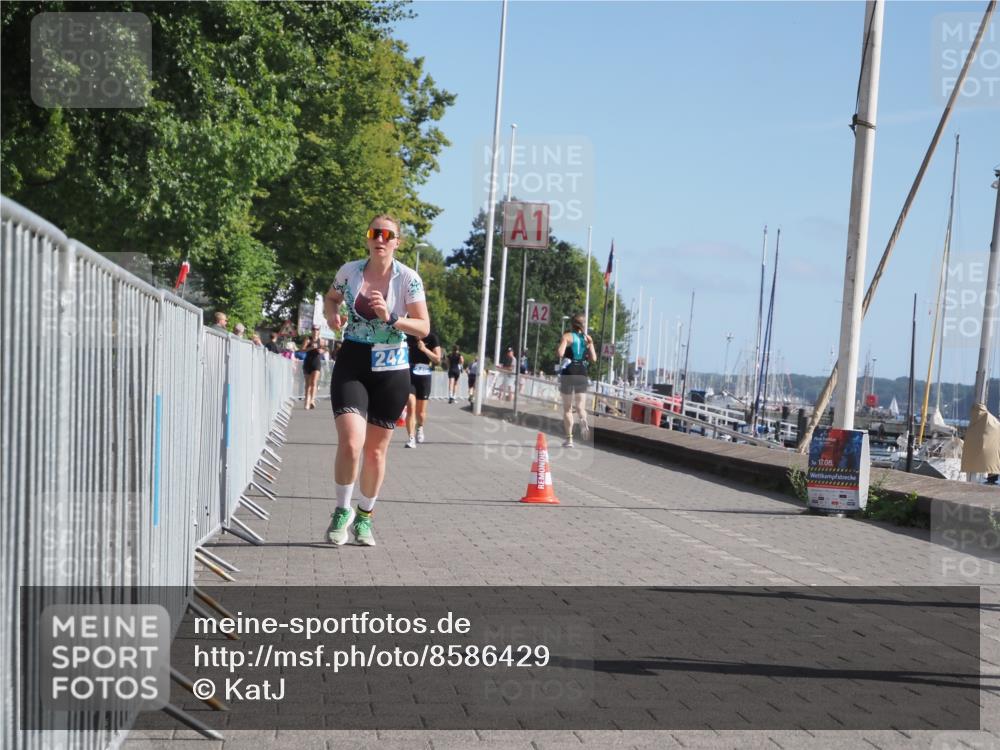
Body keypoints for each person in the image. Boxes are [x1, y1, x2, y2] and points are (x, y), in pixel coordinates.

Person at [323, 214, 429, 547]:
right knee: (351, 442)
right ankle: (342, 510)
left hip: (391, 368)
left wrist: (392, 318)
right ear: (367, 238)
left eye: (387, 235)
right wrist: (331, 314)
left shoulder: (408, 279)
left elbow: (423, 327)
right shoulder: (349, 272)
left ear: (397, 242)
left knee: (375, 453)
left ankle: (365, 516)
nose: (380, 239)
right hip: (353, 361)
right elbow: (331, 298)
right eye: (374, 233)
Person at [556, 313, 597, 447]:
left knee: (567, 409)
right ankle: (583, 419)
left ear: (572, 324)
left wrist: (563, 345)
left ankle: (569, 440)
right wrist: (590, 345)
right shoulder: (587, 338)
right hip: (581, 372)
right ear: (584, 324)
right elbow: (594, 359)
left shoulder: (567, 336)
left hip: (569, 372)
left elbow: (560, 353)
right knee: (580, 407)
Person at [404, 331, 442, 447]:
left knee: (420, 413)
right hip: (410, 374)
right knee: (411, 405)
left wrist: (424, 349)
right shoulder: (408, 336)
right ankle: (411, 438)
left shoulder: (432, 337)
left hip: (424, 375)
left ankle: (420, 427)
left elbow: (437, 359)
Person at [302, 338, 323, 409]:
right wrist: (311, 347)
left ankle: (312, 400)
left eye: (316, 331)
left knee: (314, 382)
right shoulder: (308, 340)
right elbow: (302, 350)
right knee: (308, 384)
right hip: (308, 362)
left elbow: (323, 350)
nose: (315, 332)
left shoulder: (321, 340)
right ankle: (306, 401)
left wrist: (320, 350)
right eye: (313, 331)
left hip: (316, 363)